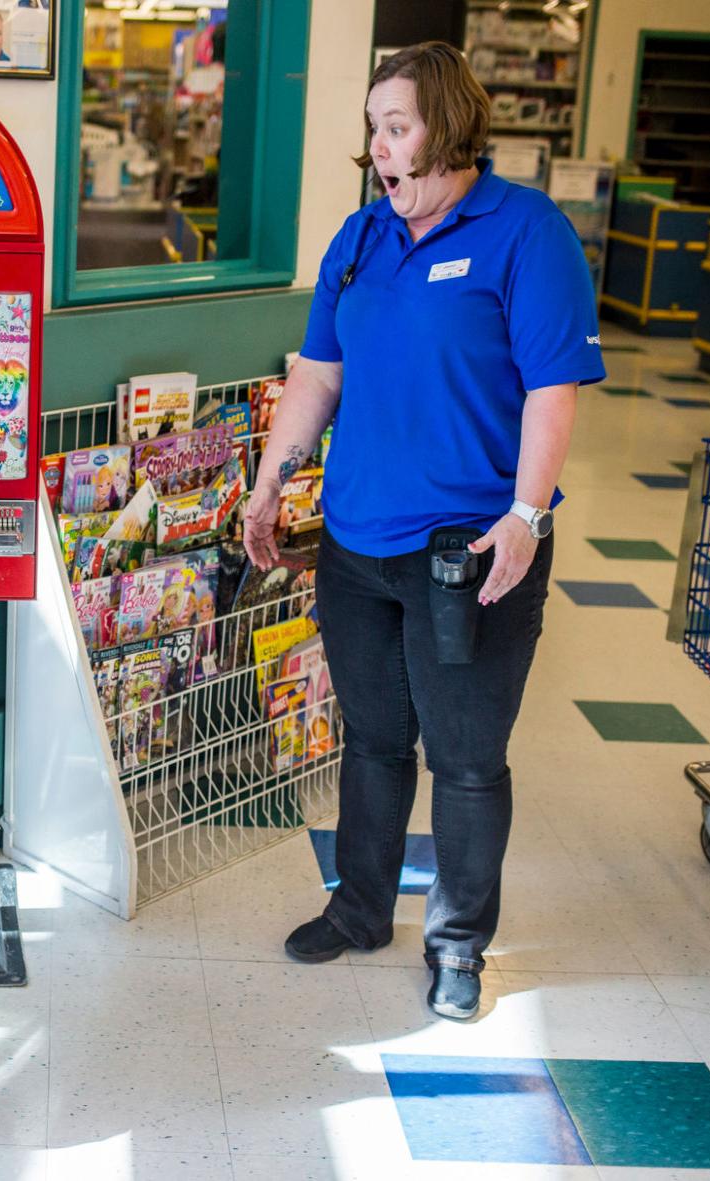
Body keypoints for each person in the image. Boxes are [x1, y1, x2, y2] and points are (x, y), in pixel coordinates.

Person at [244, 42, 604, 1020]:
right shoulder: (360, 237)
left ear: (446, 128)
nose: (378, 149)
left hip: (472, 554)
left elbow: (552, 389)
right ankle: (360, 907)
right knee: (371, 739)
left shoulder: (527, 233)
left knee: (467, 756)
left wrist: (526, 516)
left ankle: (457, 944)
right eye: (373, 130)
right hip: (357, 542)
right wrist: (270, 482)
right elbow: (318, 373)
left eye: (393, 128)